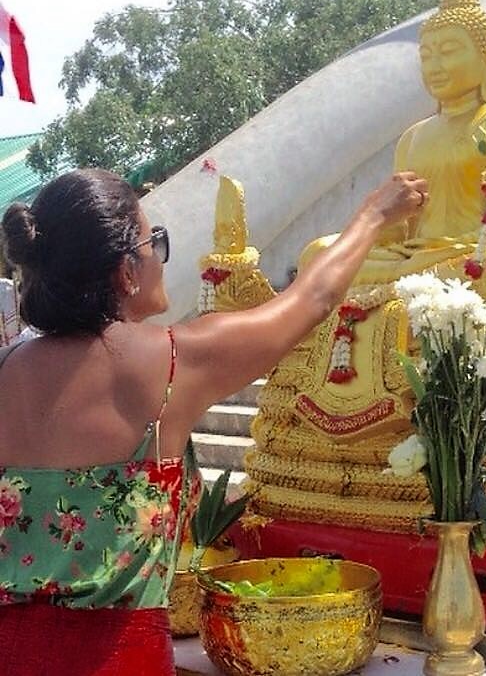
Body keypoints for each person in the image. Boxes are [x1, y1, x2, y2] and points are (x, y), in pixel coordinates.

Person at [0, 166, 426, 676]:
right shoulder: (174, 362)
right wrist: (375, 213)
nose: (159, 255)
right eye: (152, 241)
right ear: (125, 270)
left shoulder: (7, 369)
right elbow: (311, 299)